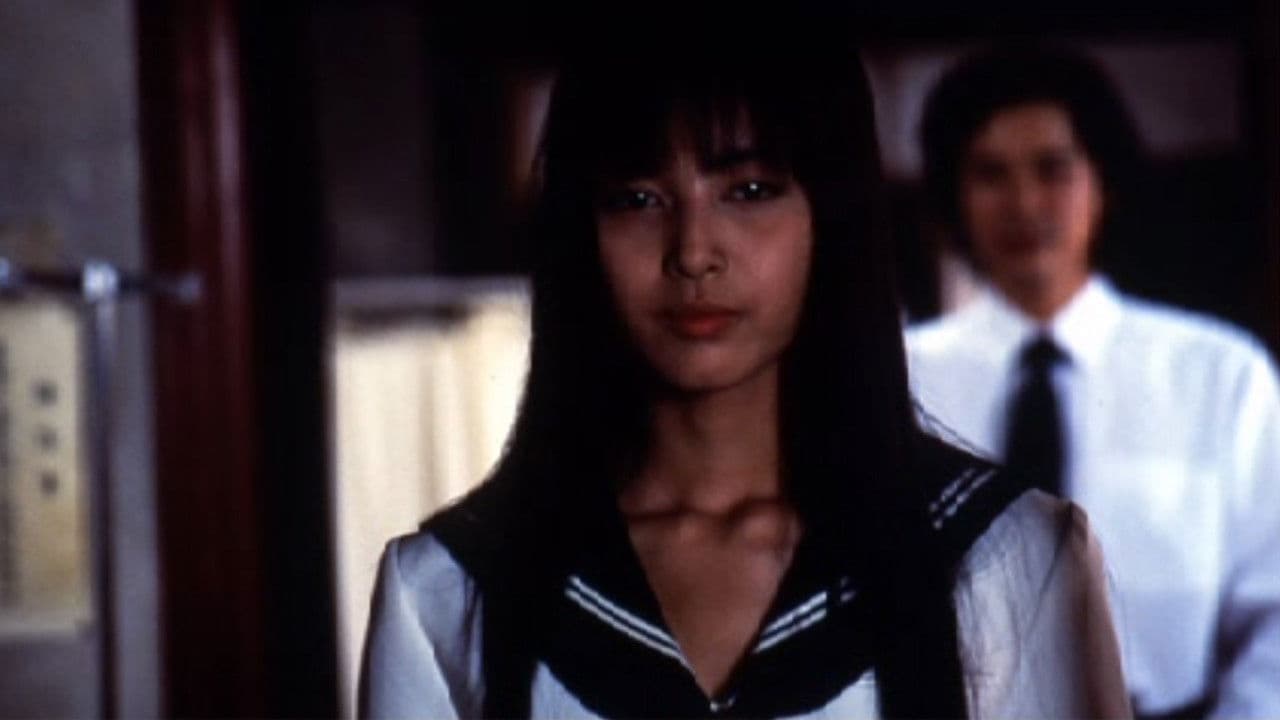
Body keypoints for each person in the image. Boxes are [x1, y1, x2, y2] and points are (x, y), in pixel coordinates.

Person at [360, 31, 1129, 719]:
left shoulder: (1004, 558)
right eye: (638, 199)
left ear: (830, 216)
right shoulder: (452, 589)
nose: (694, 252)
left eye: (750, 191)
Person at [907, 44, 1280, 717]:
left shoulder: (1222, 374)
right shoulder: (902, 375)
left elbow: (1274, 610)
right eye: (991, 174)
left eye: (1052, 169)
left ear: (1102, 179)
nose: (1024, 203)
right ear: (954, 194)